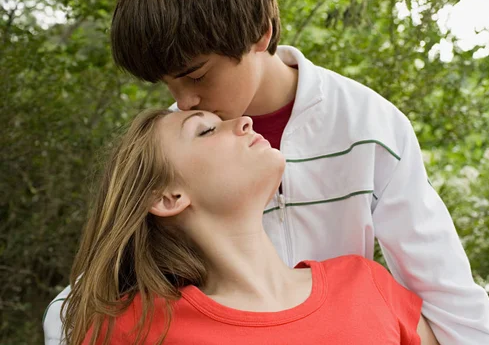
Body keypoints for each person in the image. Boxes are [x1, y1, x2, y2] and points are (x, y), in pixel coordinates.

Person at [44, 0, 489, 344]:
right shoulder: (177, 152)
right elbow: (96, 285)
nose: (183, 101)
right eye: (167, 84)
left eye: (195, 75)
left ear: (259, 35)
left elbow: (445, 288)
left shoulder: (367, 124)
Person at [62, 109, 438, 345]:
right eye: (205, 131)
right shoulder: (130, 328)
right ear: (168, 197)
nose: (244, 121)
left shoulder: (368, 285)